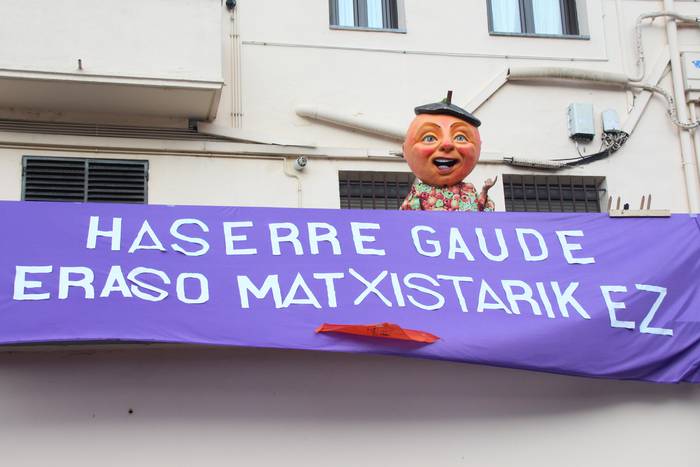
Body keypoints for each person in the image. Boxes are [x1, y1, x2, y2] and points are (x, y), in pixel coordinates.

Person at [400, 92, 496, 211]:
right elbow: (406, 218)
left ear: (479, 147)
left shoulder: (468, 191)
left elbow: (481, 212)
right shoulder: (419, 192)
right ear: (405, 150)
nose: (447, 144)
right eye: (429, 138)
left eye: (460, 137)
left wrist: (485, 190)